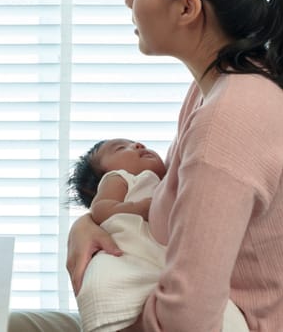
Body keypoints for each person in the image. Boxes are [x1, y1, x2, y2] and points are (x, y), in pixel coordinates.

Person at [10, 0, 283, 332]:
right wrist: (86, 223)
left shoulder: (231, 117)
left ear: (187, 9)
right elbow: (176, 206)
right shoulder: (232, 83)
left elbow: (187, 319)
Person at [68, 138, 246, 332]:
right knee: (115, 280)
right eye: (121, 148)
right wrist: (140, 208)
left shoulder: (168, 180)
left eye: (136, 143)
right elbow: (101, 209)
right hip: (129, 252)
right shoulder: (119, 178)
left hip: (160, 257)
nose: (138, 145)